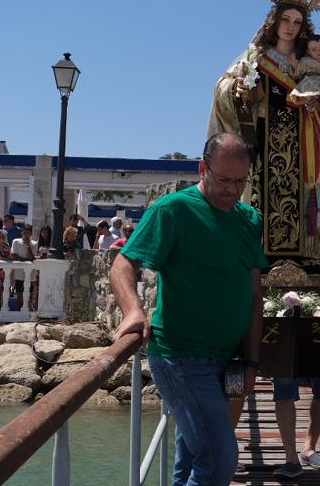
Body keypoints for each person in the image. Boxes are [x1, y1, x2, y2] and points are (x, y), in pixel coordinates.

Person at [110, 133, 266, 486]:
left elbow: (255, 295)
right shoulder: (172, 209)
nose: (232, 189)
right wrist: (133, 310)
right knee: (219, 461)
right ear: (202, 169)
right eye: (224, 179)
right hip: (182, 357)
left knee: (191, 462)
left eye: (240, 181)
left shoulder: (249, 219)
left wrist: (253, 362)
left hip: (228, 360)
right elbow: (123, 264)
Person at [208, 0, 320, 274]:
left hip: (307, 150)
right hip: (263, 150)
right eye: (285, 19)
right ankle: (256, 268)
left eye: (297, 22)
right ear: (274, 21)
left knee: (313, 206)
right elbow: (223, 88)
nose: (290, 26)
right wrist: (239, 93)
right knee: (259, 206)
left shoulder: (310, 59)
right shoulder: (256, 58)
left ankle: (315, 271)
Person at [10, 225, 38, 310]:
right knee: (19, 294)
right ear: (22, 232)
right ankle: (19, 311)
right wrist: (27, 260)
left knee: (29, 294)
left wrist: (28, 246)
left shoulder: (34, 243)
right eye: (24, 233)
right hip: (19, 273)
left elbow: (32, 258)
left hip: (31, 274)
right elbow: (14, 256)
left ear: (31, 234)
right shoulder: (16, 241)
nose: (26, 235)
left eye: (28, 233)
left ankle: (28, 310)